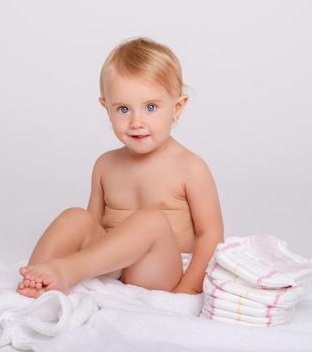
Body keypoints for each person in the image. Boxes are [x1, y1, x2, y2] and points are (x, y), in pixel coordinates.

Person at [17, 37, 223, 298]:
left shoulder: (190, 167)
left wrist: (188, 289)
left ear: (177, 107)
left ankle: (68, 270)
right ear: (107, 108)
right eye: (123, 109)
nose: (136, 122)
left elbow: (210, 234)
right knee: (75, 216)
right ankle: (37, 280)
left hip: (157, 270)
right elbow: (92, 226)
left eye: (150, 107)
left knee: (152, 220)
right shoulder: (106, 165)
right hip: (108, 266)